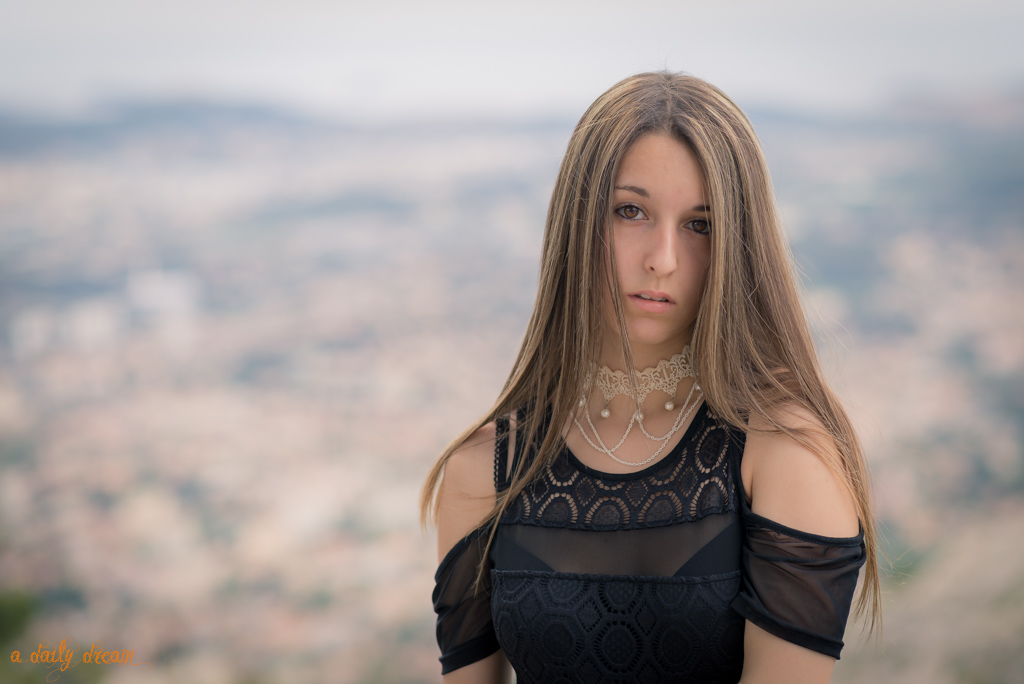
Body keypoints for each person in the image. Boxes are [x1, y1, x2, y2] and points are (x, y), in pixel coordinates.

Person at [420, 71, 879, 684]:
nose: (662, 258)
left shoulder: (786, 454)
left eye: (700, 224)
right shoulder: (483, 471)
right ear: (578, 222)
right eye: (630, 211)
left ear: (738, 246)